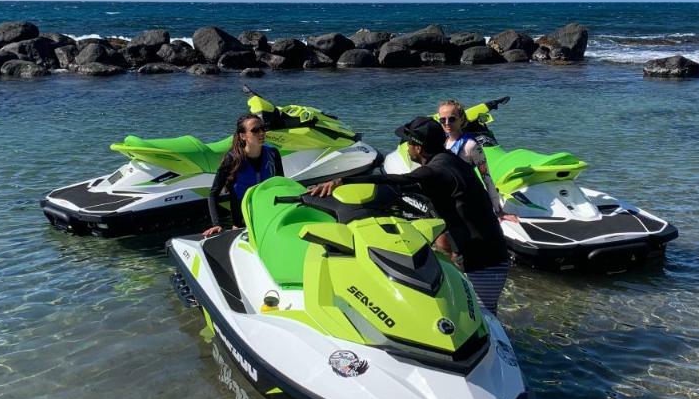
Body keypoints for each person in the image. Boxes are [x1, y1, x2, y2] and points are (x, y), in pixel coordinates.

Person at [311, 116, 511, 313]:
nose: (406, 148)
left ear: (418, 148)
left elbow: (398, 180)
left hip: (486, 263)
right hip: (486, 252)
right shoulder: (450, 160)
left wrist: (343, 181)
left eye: (408, 143)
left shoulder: (436, 171)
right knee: (468, 312)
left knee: (482, 320)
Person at [202, 113, 284, 237]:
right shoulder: (232, 160)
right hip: (241, 227)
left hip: (269, 221)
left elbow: (281, 186)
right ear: (243, 135)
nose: (261, 133)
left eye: (263, 128)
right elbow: (213, 194)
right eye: (255, 130)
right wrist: (216, 224)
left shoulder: (273, 154)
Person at [437, 98, 504, 215]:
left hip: (467, 203)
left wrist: (498, 211)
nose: (447, 123)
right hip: (448, 200)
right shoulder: (441, 143)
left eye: (452, 119)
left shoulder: (471, 146)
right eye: (443, 120)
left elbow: (487, 178)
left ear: (461, 119)